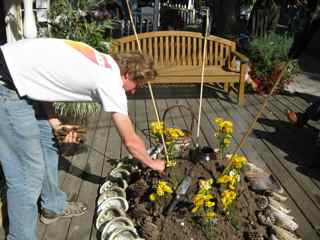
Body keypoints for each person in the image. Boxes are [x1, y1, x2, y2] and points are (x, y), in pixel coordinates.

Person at [0, 38, 165, 240]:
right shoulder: (110, 81)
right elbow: (130, 140)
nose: (133, 90)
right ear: (127, 74)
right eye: (136, 85)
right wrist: (153, 163)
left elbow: (44, 79)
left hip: (20, 78)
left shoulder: (104, 61)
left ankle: (52, 206)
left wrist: (56, 124)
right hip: (6, 86)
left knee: (47, 142)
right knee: (26, 174)